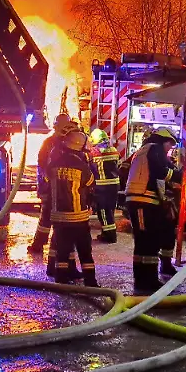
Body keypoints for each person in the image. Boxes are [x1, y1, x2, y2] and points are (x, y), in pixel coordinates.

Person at [124, 126, 178, 293]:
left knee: (146, 241)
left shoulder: (144, 150)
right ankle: (147, 282)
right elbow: (160, 172)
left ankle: (144, 280)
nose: (170, 148)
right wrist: (179, 175)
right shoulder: (154, 149)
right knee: (147, 242)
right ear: (164, 140)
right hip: (143, 200)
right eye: (170, 144)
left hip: (142, 200)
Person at [45, 130, 99, 286]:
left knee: (62, 249)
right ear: (80, 147)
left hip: (58, 215)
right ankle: (90, 281)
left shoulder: (54, 164)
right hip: (77, 216)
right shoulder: (81, 166)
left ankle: (61, 278)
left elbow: (46, 181)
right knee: (84, 250)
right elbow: (91, 184)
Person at [28, 114, 74, 257]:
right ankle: (41, 245)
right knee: (49, 216)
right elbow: (43, 166)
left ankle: (40, 245)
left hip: (59, 188)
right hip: (55, 188)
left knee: (50, 217)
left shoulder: (56, 142)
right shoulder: (54, 143)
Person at [88, 129, 121, 243]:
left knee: (102, 211)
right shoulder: (114, 150)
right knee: (110, 210)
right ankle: (109, 233)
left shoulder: (94, 152)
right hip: (114, 185)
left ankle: (109, 235)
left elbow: (90, 169)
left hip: (101, 187)